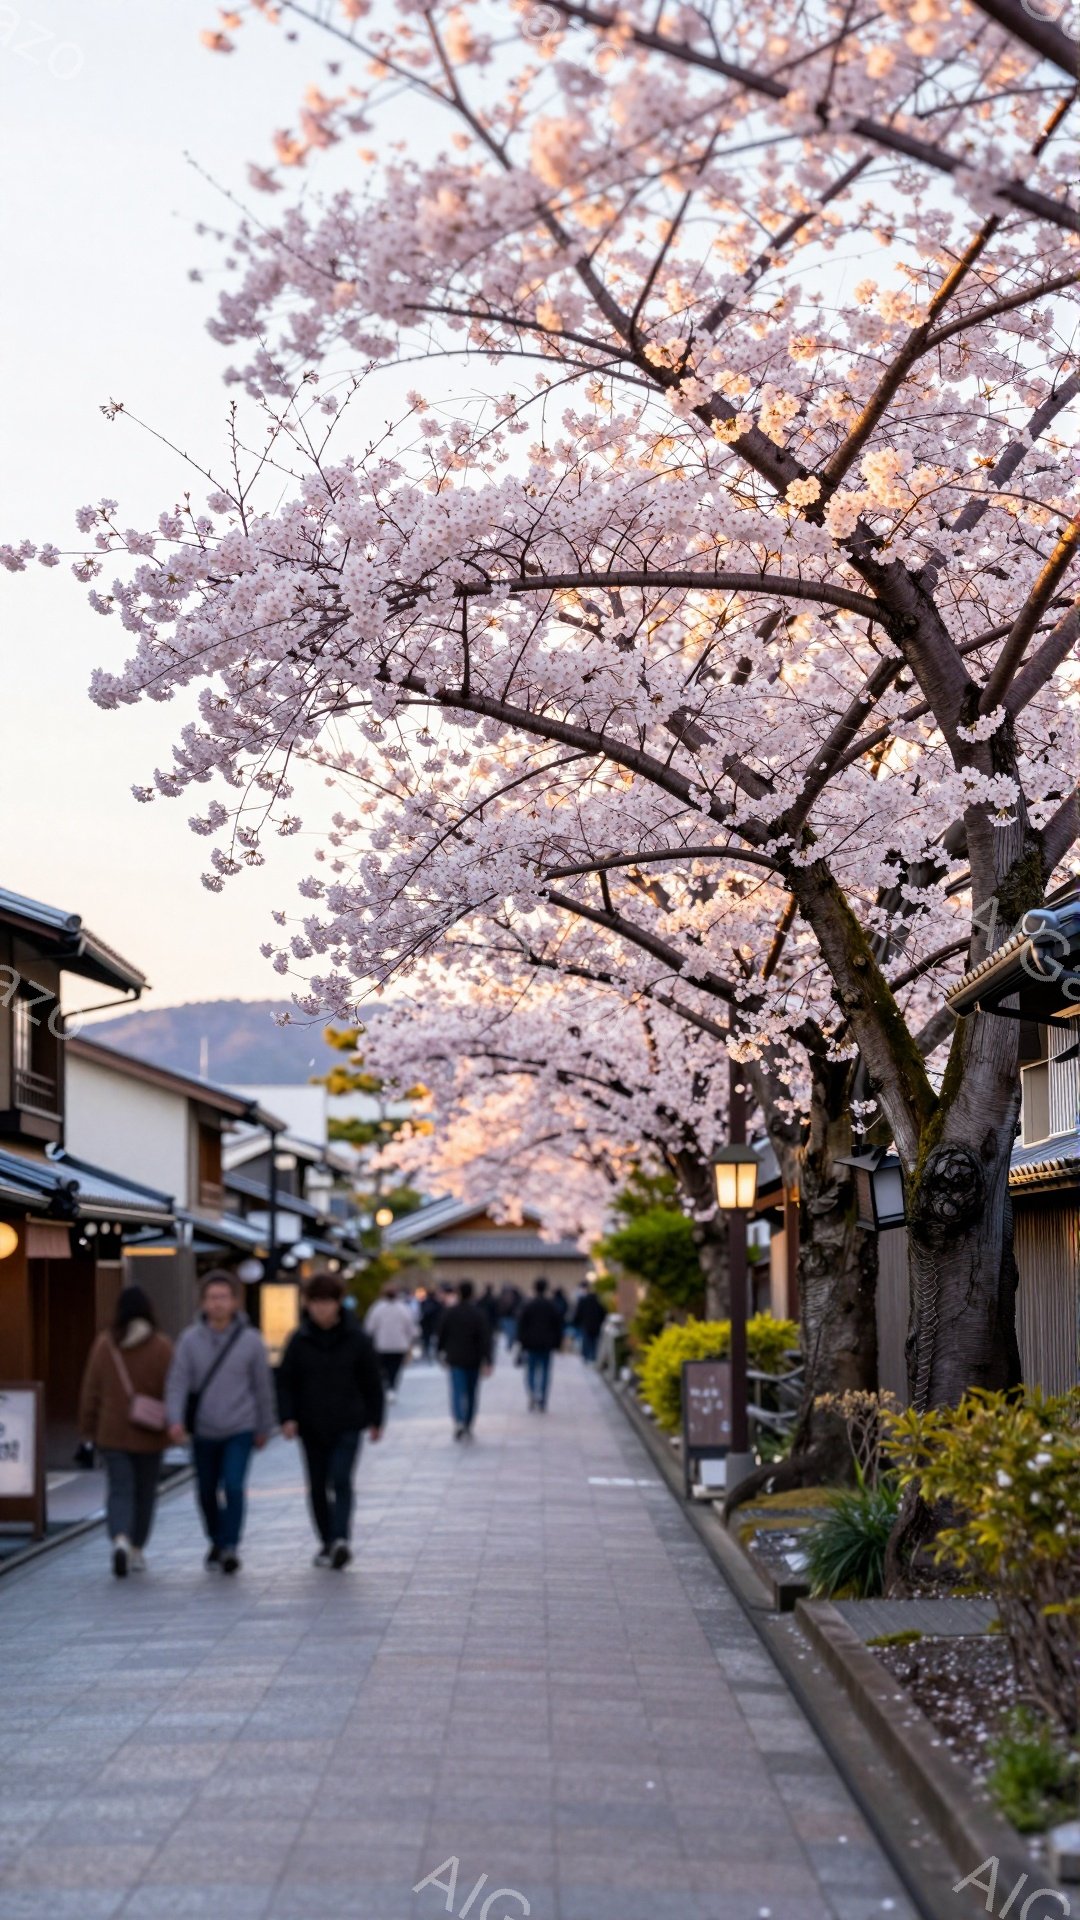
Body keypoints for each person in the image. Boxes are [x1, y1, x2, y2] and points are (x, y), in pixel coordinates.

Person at [166, 1270, 275, 1575]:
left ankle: (230, 1546)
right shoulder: (189, 1340)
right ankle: (216, 1539)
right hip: (203, 1429)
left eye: (223, 1297)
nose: (217, 1304)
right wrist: (174, 1419)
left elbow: (262, 1386)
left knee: (235, 1485)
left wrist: (265, 1425)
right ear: (202, 1302)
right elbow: (177, 1382)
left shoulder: (251, 1340)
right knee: (205, 1490)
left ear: (235, 1301)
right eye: (212, 1298)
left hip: (240, 1426)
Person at [277, 1273, 385, 1568]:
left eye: (327, 1302)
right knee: (316, 1484)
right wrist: (286, 1417)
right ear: (308, 1304)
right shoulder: (299, 1339)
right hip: (310, 1424)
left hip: (348, 1421)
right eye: (316, 1302)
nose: (322, 1308)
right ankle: (326, 1541)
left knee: (341, 1478)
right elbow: (285, 1381)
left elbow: (372, 1381)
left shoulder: (357, 1338)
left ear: (338, 1303)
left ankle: (340, 1538)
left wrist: (376, 1419)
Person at [77, 1285, 174, 1579]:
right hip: (151, 1435)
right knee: (145, 1493)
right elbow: (174, 1390)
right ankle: (137, 1549)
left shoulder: (105, 1345)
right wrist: (175, 1426)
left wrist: (87, 1431)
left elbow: (90, 1391)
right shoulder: (162, 1346)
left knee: (119, 1489)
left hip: (112, 1434)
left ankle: (119, 1538)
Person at [436, 1279, 493, 1439]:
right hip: (474, 1359)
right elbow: (485, 1339)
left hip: (455, 1358)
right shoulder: (479, 1314)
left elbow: (441, 1334)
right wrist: (488, 1360)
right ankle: (468, 1422)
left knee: (457, 1391)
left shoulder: (450, 1312)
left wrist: (440, 1352)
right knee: (472, 1392)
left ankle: (459, 1420)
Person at [516, 1277, 564, 1412]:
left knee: (530, 1370)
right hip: (547, 1344)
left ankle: (532, 1393)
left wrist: (521, 1341)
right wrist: (558, 1343)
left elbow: (521, 1325)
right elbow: (558, 1326)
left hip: (530, 1343)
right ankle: (542, 1398)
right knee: (545, 1372)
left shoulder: (528, 1305)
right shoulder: (552, 1306)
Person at [364, 1283, 416, 1397]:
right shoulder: (403, 1308)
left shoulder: (377, 1308)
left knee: (383, 1368)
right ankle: (392, 1387)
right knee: (395, 1369)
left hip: (382, 1345)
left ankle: (387, 1387)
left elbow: (369, 1327)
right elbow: (411, 1327)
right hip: (399, 1345)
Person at [572, 1278, 608, 1365]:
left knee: (586, 1340)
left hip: (586, 1324)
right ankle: (593, 1357)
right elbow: (604, 1313)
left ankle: (586, 1356)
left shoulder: (583, 1301)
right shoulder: (598, 1302)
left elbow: (578, 1313)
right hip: (596, 1325)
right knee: (594, 1341)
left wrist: (576, 1322)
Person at [418, 1288, 443, 1361]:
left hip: (427, 1326)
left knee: (427, 1341)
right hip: (433, 1326)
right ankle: (433, 1354)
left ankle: (427, 1354)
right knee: (433, 1341)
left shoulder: (424, 1303)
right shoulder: (437, 1304)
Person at [496, 1282, 522, 1352]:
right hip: (507, 1317)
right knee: (509, 1334)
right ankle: (509, 1347)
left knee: (510, 1334)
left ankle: (509, 1347)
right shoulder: (503, 1298)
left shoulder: (512, 1298)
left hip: (510, 1317)